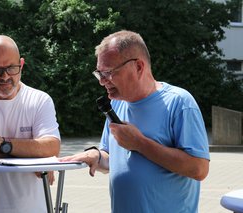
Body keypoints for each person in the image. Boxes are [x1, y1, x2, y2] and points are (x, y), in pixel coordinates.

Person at [60, 30, 210, 213]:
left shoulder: (179, 103)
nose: (102, 81)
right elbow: (112, 157)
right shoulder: (116, 104)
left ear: (139, 67)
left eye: (108, 72)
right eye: (99, 73)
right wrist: (96, 156)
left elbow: (199, 169)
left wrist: (140, 143)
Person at [0, 35, 61, 213]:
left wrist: (0, 143)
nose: (5, 76)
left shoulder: (39, 100)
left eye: (11, 68)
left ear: (21, 65)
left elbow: (51, 147)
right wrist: (35, 156)